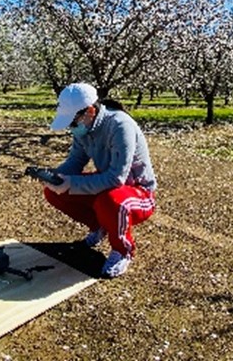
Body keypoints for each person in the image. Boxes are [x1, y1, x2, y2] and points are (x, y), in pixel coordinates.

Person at [41, 82, 157, 278]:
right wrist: (55, 177)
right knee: (53, 191)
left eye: (72, 122)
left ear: (90, 111)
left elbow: (116, 178)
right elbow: (75, 161)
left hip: (137, 192)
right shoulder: (84, 129)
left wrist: (72, 183)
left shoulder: (120, 125)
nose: (71, 128)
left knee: (110, 201)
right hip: (110, 186)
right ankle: (100, 226)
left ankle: (123, 250)